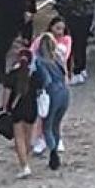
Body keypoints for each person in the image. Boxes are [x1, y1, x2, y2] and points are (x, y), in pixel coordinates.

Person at [32, 32, 71, 169]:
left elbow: (46, 80)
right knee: (57, 124)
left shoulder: (39, 61)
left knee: (46, 126)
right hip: (65, 92)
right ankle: (57, 143)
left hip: (52, 94)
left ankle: (53, 152)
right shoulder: (59, 58)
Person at [56, 0, 95, 84]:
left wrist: (59, 7)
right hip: (87, 18)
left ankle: (76, 71)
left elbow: (68, 5)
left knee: (74, 45)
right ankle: (82, 69)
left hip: (75, 18)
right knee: (82, 43)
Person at [3, 41, 39, 178]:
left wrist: (5, 108)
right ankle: (27, 158)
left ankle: (24, 166)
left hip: (17, 109)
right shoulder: (34, 75)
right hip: (32, 108)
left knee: (19, 138)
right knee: (29, 138)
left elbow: (6, 95)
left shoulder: (12, 75)